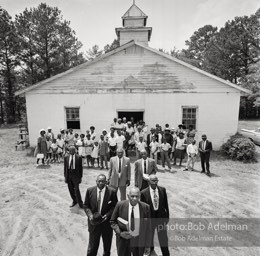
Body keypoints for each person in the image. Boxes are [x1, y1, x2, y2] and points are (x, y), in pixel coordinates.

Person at [110, 187, 152, 256]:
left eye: (137, 196)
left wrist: (148, 245)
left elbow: (148, 227)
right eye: (132, 196)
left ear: (140, 196)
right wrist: (120, 233)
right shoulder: (120, 205)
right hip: (123, 241)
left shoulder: (145, 207)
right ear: (128, 196)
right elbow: (112, 222)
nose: (134, 198)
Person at [84, 174, 118, 256]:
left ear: (106, 182)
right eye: (99, 181)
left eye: (103, 181)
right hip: (93, 224)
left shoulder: (112, 192)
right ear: (96, 181)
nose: (101, 183)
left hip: (106, 224)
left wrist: (107, 215)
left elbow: (115, 207)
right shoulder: (90, 190)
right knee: (92, 247)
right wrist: (90, 215)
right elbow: (86, 205)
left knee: (107, 247)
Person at [140, 175, 170, 256]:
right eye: (153, 181)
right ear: (149, 182)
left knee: (163, 238)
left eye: (156, 181)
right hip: (150, 218)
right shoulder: (143, 193)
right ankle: (151, 250)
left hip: (161, 218)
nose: (155, 182)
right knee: (150, 236)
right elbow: (143, 209)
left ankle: (166, 254)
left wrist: (167, 217)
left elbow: (166, 204)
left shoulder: (162, 190)